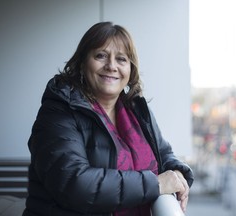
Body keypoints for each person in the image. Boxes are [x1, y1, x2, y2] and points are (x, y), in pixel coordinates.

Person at [23, 21, 194, 216]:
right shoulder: (59, 110)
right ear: (82, 62)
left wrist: (178, 173)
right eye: (101, 56)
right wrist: (155, 184)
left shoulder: (137, 111)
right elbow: (75, 184)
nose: (111, 66)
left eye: (121, 59)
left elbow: (164, 154)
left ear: (130, 69)